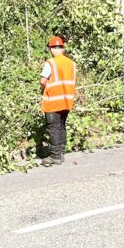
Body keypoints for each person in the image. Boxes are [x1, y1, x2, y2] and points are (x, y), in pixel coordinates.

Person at [39, 36, 76, 164]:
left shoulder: (51, 62)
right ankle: (60, 154)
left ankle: (54, 156)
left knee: (53, 128)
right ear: (62, 48)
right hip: (66, 101)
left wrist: (43, 88)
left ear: (52, 48)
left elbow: (43, 81)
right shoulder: (71, 63)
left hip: (53, 101)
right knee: (61, 127)